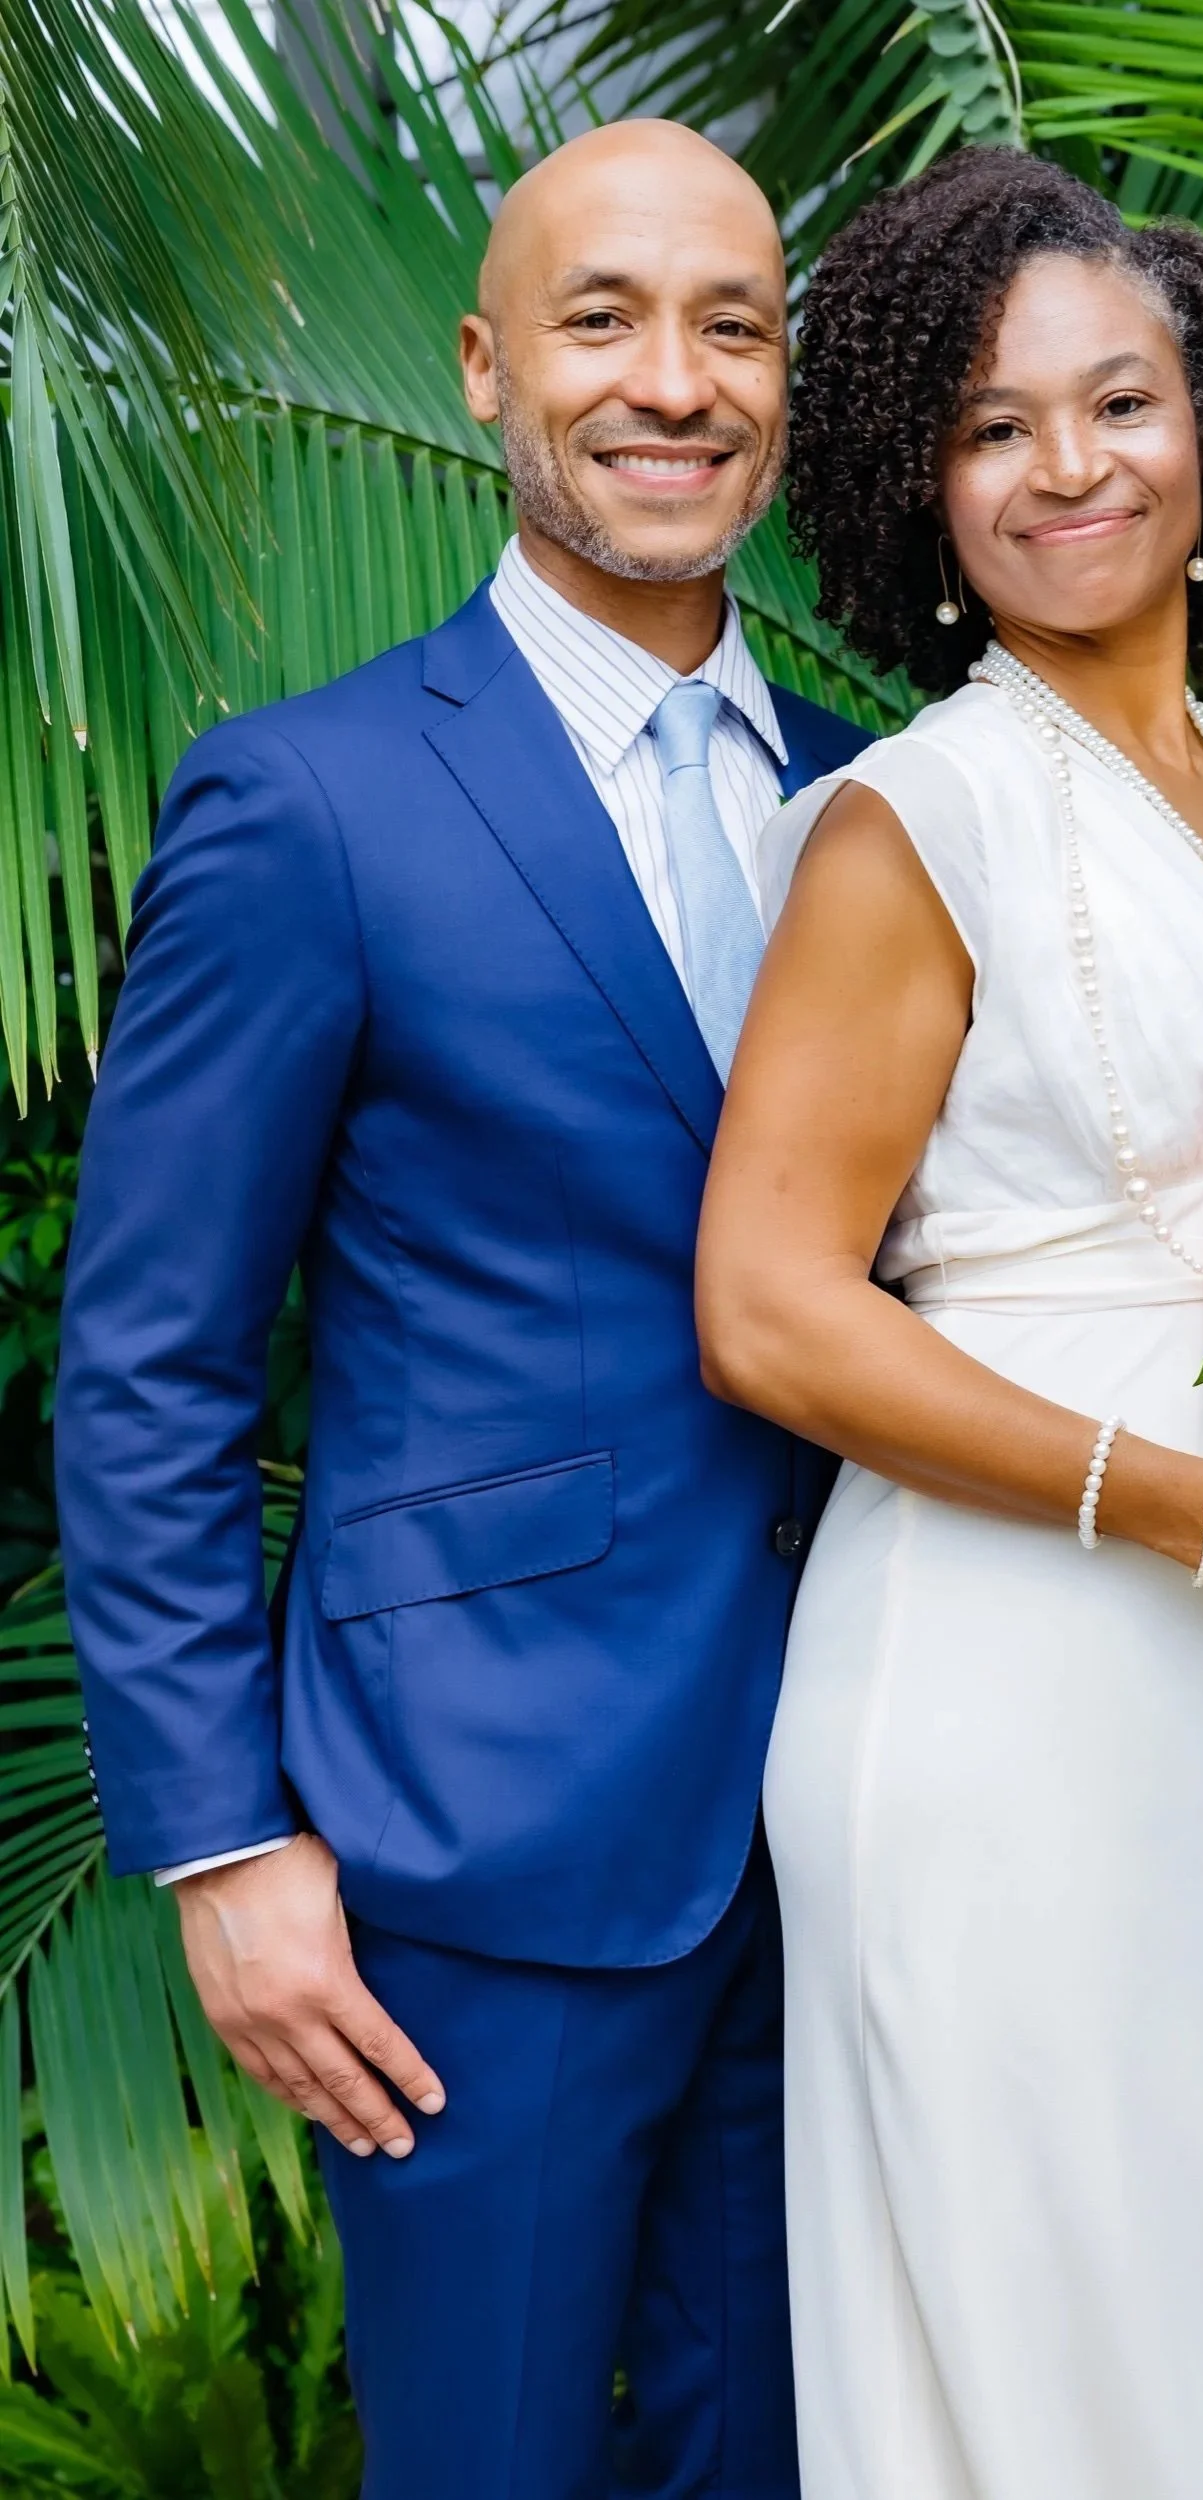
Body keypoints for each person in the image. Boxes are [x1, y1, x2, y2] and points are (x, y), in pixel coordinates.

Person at [56, 120, 867, 2500]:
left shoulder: (880, 804)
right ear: (488, 363)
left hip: (854, 1819)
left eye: (733, 323)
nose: (674, 380)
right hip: (468, 1855)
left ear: (788, 385)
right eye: (605, 318)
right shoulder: (305, 807)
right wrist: (223, 1842)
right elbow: (153, 1363)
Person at [697, 148, 1203, 2500]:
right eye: (989, 423)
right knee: (1079, 2340)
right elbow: (765, 1304)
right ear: (918, 492)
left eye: (1118, 401)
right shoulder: (905, 827)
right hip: (1011, 1694)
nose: (1067, 466)